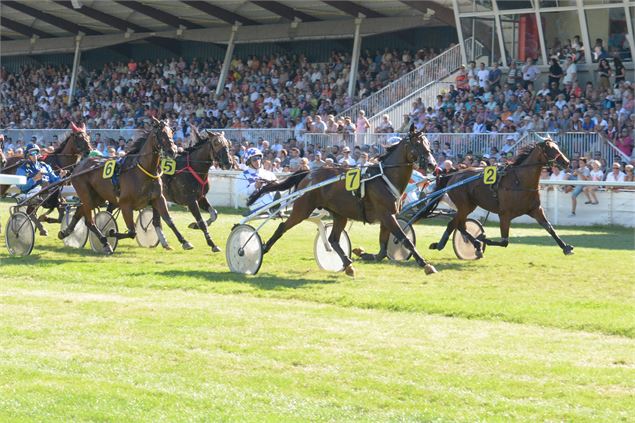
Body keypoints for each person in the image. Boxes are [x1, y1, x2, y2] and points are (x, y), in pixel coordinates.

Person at [239, 148, 278, 212]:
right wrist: (254, 186)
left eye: (259, 158)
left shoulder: (269, 173)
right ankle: (274, 205)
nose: (257, 161)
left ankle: (275, 205)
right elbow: (240, 195)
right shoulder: (243, 175)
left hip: (271, 199)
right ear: (248, 161)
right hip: (255, 204)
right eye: (254, 159)